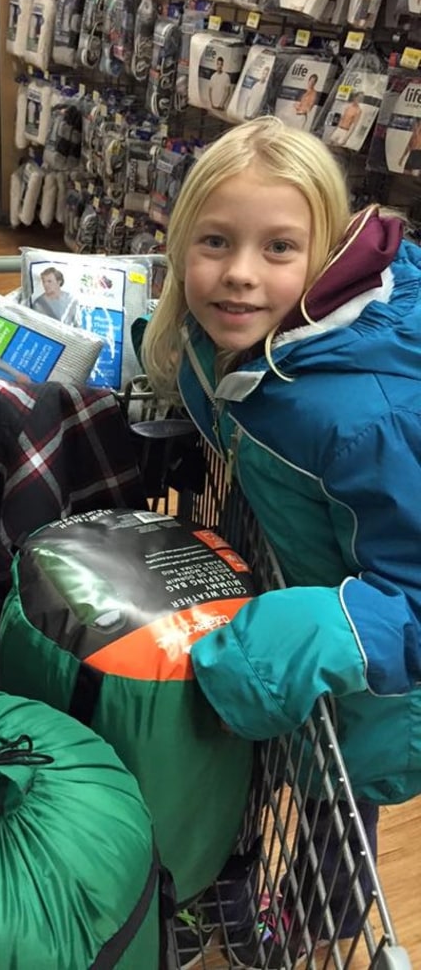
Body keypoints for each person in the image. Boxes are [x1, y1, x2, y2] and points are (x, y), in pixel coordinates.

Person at [141, 116, 421, 964]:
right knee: (291, 773)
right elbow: (233, 405)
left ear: (326, 255)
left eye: (278, 248)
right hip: (304, 581)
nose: (238, 275)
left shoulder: (362, 417)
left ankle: (315, 924)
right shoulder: (233, 344)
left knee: (341, 805)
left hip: (377, 680)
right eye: (216, 241)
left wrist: (291, 641)